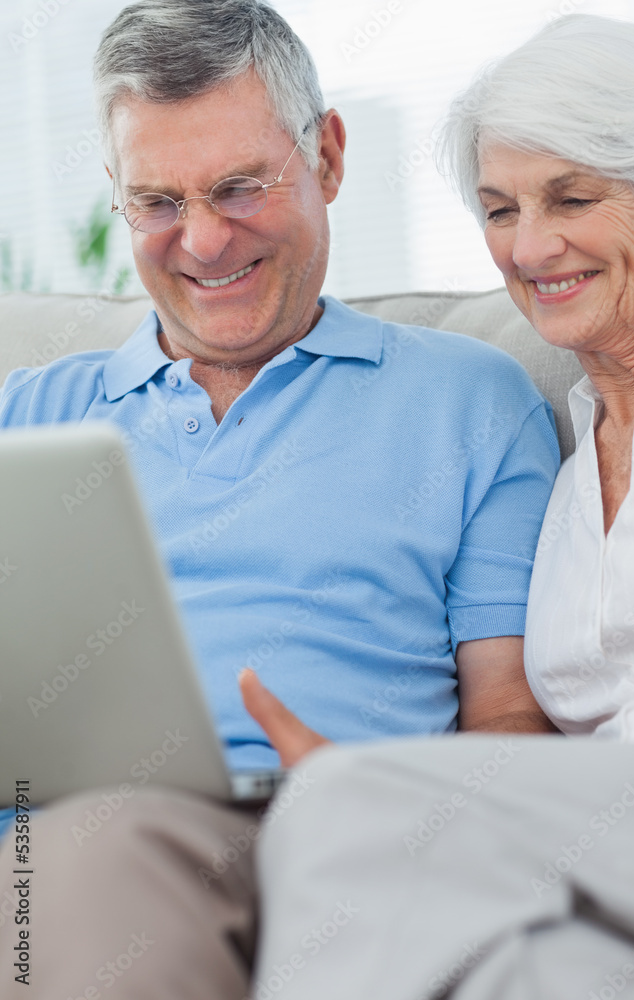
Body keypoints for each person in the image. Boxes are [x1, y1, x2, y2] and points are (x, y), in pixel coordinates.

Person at [0, 1, 560, 997]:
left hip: (349, 827)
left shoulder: (468, 399)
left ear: (329, 156)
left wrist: (390, 800)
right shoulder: (29, 416)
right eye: (157, 201)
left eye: (239, 187)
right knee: (75, 856)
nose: (205, 241)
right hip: (62, 843)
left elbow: (508, 718)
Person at [251, 14, 634, 1000]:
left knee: (342, 807)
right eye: (497, 208)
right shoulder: (567, 466)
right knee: (528, 967)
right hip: (614, 880)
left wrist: (386, 797)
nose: (529, 246)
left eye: (571, 197)